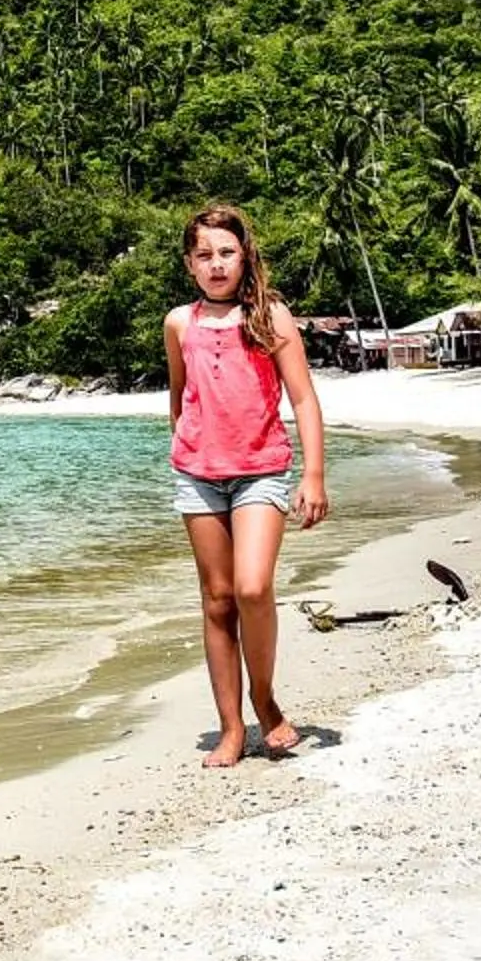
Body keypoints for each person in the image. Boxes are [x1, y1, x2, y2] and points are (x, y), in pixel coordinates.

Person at [165, 204, 329, 767]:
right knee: (218, 600)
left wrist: (312, 474)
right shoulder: (179, 324)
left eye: (226, 253)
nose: (217, 265)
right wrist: (188, 451)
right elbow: (180, 397)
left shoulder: (270, 316)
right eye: (205, 255)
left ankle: (264, 697)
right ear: (190, 264)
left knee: (253, 588)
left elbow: (304, 398)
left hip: (261, 469)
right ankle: (230, 727)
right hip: (197, 477)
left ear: (244, 256)